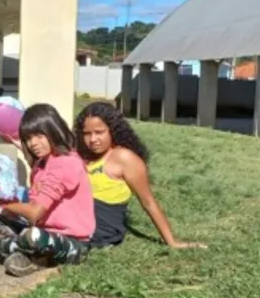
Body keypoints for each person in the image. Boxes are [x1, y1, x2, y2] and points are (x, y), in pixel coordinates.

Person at [0, 104, 96, 277]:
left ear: (54, 130)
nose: (33, 144)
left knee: (34, 236)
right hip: (41, 228)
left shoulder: (67, 164)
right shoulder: (42, 163)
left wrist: (6, 205)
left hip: (71, 242)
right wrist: (10, 210)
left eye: (39, 135)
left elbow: (35, 213)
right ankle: (24, 252)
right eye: (28, 138)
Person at [75, 102, 205, 249]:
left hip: (100, 231)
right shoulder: (82, 157)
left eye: (99, 132)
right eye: (87, 133)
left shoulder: (125, 158)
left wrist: (172, 242)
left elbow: (148, 202)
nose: (93, 139)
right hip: (76, 222)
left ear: (112, 130)